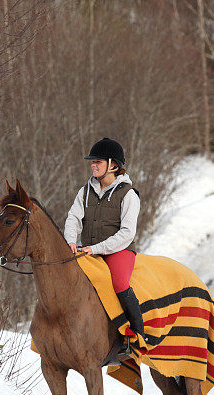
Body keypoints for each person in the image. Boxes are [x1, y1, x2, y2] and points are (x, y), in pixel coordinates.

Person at [64, 137, 143, 362]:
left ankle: (135, 335)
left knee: (119, 283)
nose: (93, 165)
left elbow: (127, 233)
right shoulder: (85, 191)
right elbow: (73, 217)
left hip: (119, 250)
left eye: (98, 161)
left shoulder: (128, 194)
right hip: (88, 250)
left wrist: (96, 248)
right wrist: (71, 240)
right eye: (92, 162)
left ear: (114, 165)